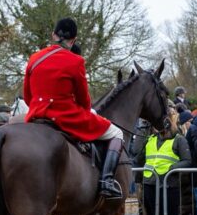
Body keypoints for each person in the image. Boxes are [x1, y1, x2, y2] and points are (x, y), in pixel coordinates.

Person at [23, 18, 124, 199]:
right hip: (65, 117)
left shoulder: (34, 58)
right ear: (73, 40)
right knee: (116, 133)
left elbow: (28, 96)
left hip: (35, 115)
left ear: (54, 35)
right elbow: (84, 102)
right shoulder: (75, 61)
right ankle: (106, 181)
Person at [137, 108, 190, 215]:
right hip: (150, 184)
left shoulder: (179, 140)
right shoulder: (150, 139)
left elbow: (187, 160)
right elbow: (138, 156)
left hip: (169, 184)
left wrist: (172, 168)